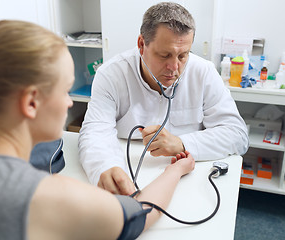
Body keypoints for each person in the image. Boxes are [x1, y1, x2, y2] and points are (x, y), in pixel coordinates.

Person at [0, 20, 195, 240]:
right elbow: (142, 211)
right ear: (31, 103)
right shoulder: (50, 197)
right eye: (65, 90)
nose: (69, 103)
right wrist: (174, 171)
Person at [79, 2, 249, 195]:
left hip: (190, 179)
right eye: (164, 55)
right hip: (129, 171)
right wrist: (106, 167)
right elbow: (95, 132)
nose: (174, 67)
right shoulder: (111, 74)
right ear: (142, 45)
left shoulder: (204, 72)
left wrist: (182, 144)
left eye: (183, 55)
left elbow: (237, 135)